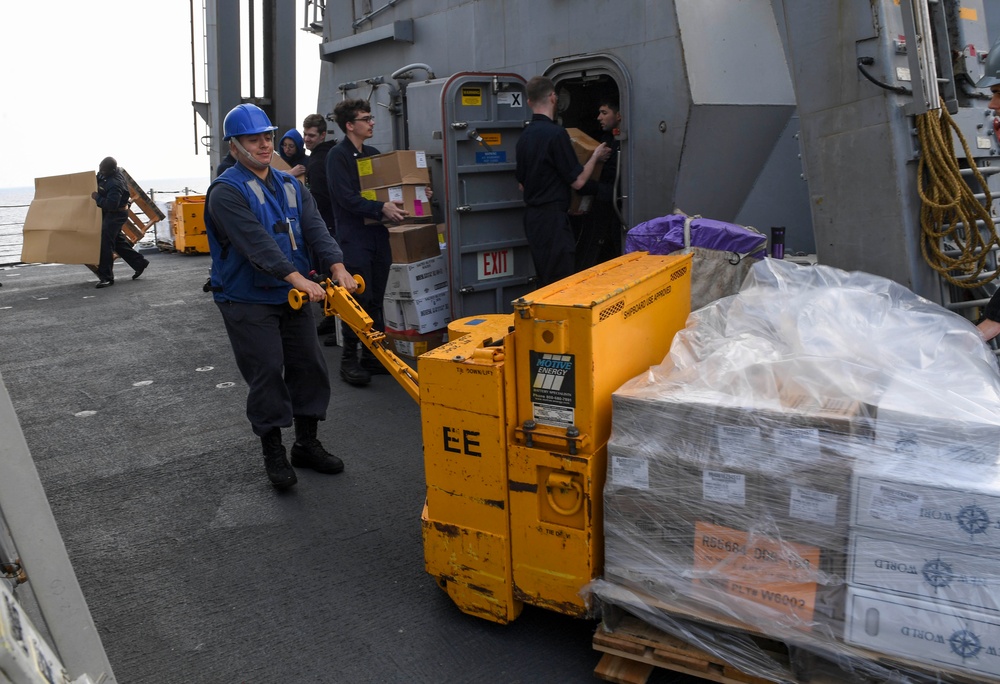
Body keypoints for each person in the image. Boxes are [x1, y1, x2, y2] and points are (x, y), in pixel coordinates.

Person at [204, 103, 359, 490]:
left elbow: (316, 229)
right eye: (253, 139)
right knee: (267, 371)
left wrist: (336, 265)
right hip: (247, 298)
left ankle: (305, 444)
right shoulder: (226, 192)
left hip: (291, 295)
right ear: (234, 146)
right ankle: (273, 449)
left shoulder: (291, 185)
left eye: (267, 137)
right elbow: (255, 244)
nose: (262, 145)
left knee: (309, 366)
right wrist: (297, 278)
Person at [325, 98, 408, 385]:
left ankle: (373, 357)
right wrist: (379, 208)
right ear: (350, 125)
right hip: (353, 239)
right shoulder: (338, 156)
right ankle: (348, 361)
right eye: (366, 118)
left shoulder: (372, 154)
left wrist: (413, 197)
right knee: (357, 299)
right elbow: (345, 197)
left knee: (375, 297)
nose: (372, 122)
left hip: (376, 235)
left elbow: (388, 190)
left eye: (371, 118)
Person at [515, 76, 609, 287]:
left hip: (533, 220)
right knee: (561, 282)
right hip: (553, 221)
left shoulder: (524, 137)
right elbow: (578, 182)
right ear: (553, 97)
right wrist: (595, 156)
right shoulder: (557, 134)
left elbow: (522, 184)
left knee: (544, 279)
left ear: (529, 102)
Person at [302, 113, 341, 338]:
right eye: (305, 134)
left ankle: (333, 321)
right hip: (331, 224)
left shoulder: (317, 161)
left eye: (311, 135)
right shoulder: (326, 155)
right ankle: (330, 318)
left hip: (326, 226)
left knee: (326, 273)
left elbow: (320, 197)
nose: (307, 139)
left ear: (322, 135)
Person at [575, 97, 624, 271]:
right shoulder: (605, 140)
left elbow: (617, 186)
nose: (599, 117)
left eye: (604, 113)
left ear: (618, 115)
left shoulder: (622, 144)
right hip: (602, 206)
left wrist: (587, 187)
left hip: (615, 208)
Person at [91, 157, 149, 288]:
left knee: (105, 243)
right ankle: (139, 263)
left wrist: (97, 197)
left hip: (116, 214)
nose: (101, 173)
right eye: (100, 170)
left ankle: (106, 278)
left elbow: (111, 205)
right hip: (112, 213)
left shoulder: (115, 183)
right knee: (117, 242)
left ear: (111, 170)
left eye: (103, 171)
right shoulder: (109, 172)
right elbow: (99, 177)